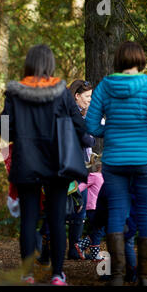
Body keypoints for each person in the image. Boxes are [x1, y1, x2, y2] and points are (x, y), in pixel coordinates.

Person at [0, 44, 89, 286]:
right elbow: (78, 124)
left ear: (28, 64)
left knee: (28, 219)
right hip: (58, 163)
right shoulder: (61, 92)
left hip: (26, 162)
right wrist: (86, 140)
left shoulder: (15, 93)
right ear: (50, 64)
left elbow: (4, 131)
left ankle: (27, 275)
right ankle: (58, 275)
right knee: (57, 219)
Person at [86, 41, 147, 286]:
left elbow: (92, 126)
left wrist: (114, 131)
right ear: (142, 61)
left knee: (116, 213)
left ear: (118, 61)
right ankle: (145, 278)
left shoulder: (104, 87)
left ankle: (116, 276)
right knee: (146, 216)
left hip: (115, 162)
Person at [65, 80, 96, 259]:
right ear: (76, 96)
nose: (90, 100)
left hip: (80, 167)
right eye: (87, 97)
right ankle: (50, 248)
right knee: (74, 208)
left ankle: (73, 249)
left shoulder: (82, 114)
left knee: (79, 209)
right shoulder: (72, 114)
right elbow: (87, 140)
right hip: (72, 168)